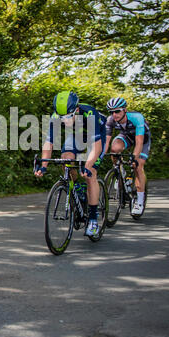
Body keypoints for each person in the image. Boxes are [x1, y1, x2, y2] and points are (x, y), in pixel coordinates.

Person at [34, 90, 106, 237]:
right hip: (77, 135)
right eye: (62, 118)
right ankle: (76, 188)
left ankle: (93, 219)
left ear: (77, 110)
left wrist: (87, 165)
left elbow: (97, 147)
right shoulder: (56, 117)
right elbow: (49, 142)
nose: (65, 121)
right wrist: (43, 166)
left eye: (68, 117)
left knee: (89, 173)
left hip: (96, 137)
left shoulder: (90, 114)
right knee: (66, 158)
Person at [105, 97, 151, 215]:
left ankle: (139, 202)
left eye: (117, 111)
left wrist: (134, 158)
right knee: (114, 149)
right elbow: (106, 142)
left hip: (142, 139)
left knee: (138, 166)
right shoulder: (110, 120)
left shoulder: (137, 118)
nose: (114, 114)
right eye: (111, 112)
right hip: (126, 137)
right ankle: (121, 174)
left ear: (124, 110)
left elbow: (139, 142)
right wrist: (98, 157)